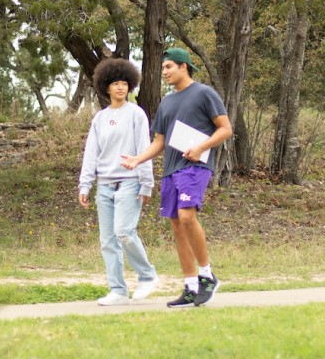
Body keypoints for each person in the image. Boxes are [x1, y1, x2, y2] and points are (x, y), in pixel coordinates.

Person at [121, 47, 232, 307]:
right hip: (171, 170)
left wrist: (201, 147)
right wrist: (138, 159)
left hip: (194, 167)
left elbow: (225, 129)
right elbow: (160, 141)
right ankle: (191, 286)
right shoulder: (167, 102)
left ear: (184, 66)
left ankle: (207, 276)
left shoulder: (204, 93)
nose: (165, 72)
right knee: (177, 225)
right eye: (163, 68)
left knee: (187, 216)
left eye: (169, 66)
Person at [78, 58, 159, 306]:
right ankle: (118, 290)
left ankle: (148, 276)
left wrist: (146, 183)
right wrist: (85, 184)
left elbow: (143, 149)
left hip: (130, 182)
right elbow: (91, 152)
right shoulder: (100, 119)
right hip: (104, 185)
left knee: (124, 232)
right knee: (108, 241)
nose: (121, 87)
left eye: (124, 83)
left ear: (130, 86)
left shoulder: (136, 114)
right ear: (107, 87)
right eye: (116, 83)